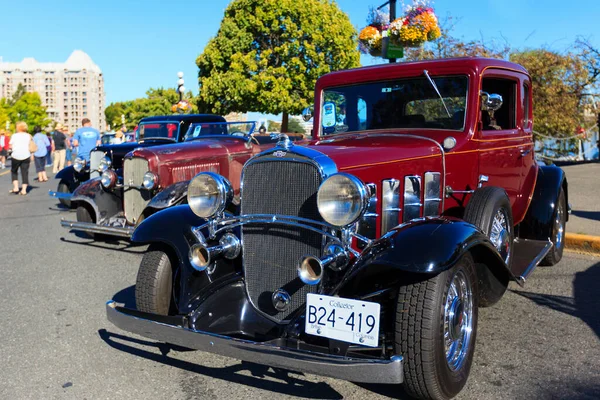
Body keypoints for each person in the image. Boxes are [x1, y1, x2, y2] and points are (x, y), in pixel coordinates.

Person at [9, 121, 32, 195]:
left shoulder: (14, 136)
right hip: (26, 155)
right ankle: (24, 190)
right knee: (24, 172)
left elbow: (10, 146)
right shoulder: (28, 136)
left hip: (16, 155)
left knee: (14, 171)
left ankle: (16, 187)